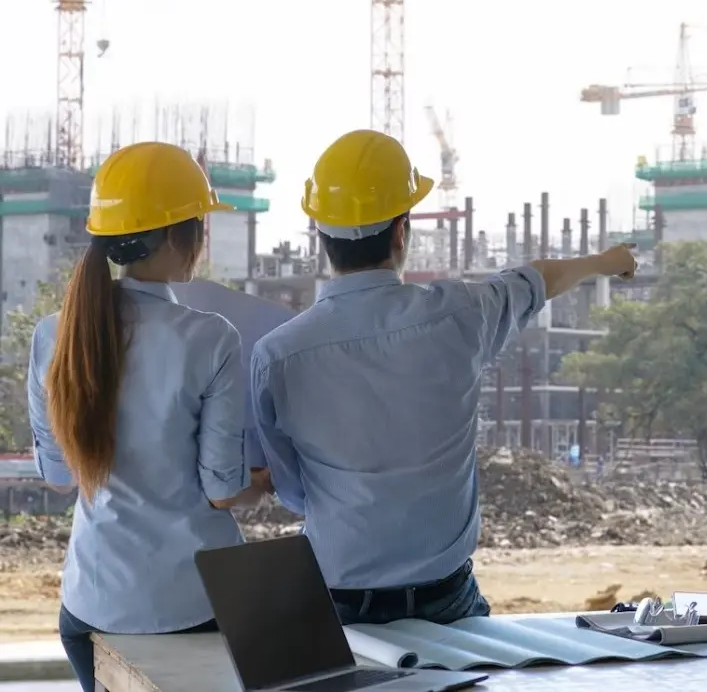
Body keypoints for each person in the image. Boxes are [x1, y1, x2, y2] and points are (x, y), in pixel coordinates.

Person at [251, 129, 636, 626]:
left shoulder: (277, 355)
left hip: (337, 602)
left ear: (320, 235)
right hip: (447, 602)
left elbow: (294, 492)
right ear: (401, 230)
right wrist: (610, 261)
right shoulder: (462, 312)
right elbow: (541, 278)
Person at [27, 142, 271, 692]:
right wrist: (262, 484)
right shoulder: (210, 339)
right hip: (197, 608)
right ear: (176, 235)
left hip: (93, 607)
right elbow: (221, 492)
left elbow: (60, 476)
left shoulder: (53, 335)